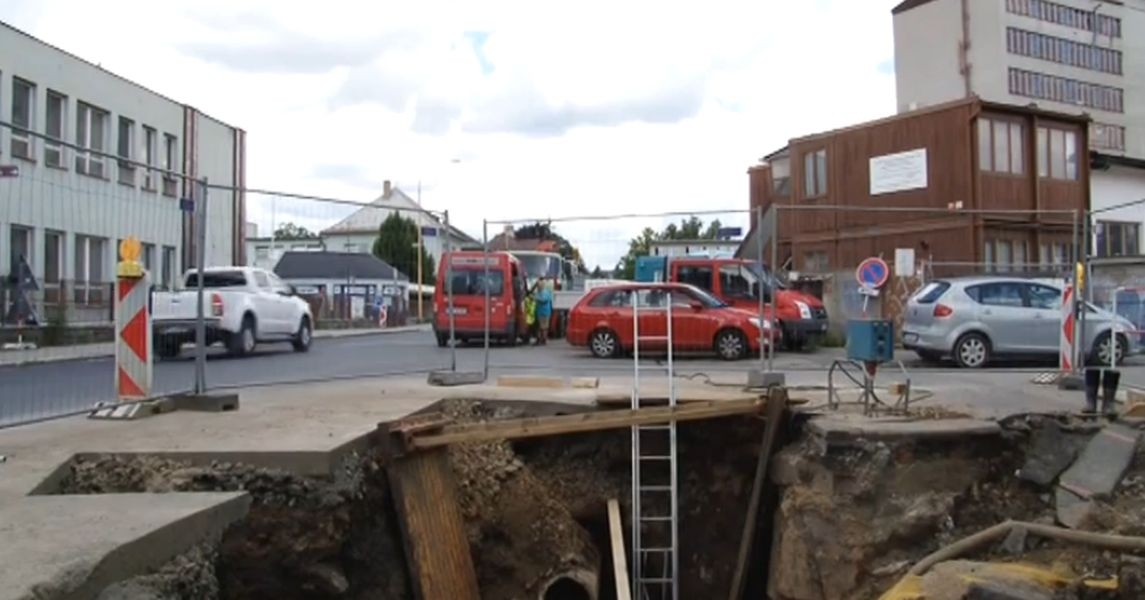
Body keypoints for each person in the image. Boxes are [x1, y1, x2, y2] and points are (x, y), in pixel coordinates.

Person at [534, 276, 554, 345]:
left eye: (538, 286)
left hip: (544, 312)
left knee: (543, 327)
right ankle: (541, 339)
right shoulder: (540, 292)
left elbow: (544, 300)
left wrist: (537, 299)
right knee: (541, 327)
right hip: (541, 312)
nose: (538, 287)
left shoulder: (544, 293)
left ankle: (543, 339)